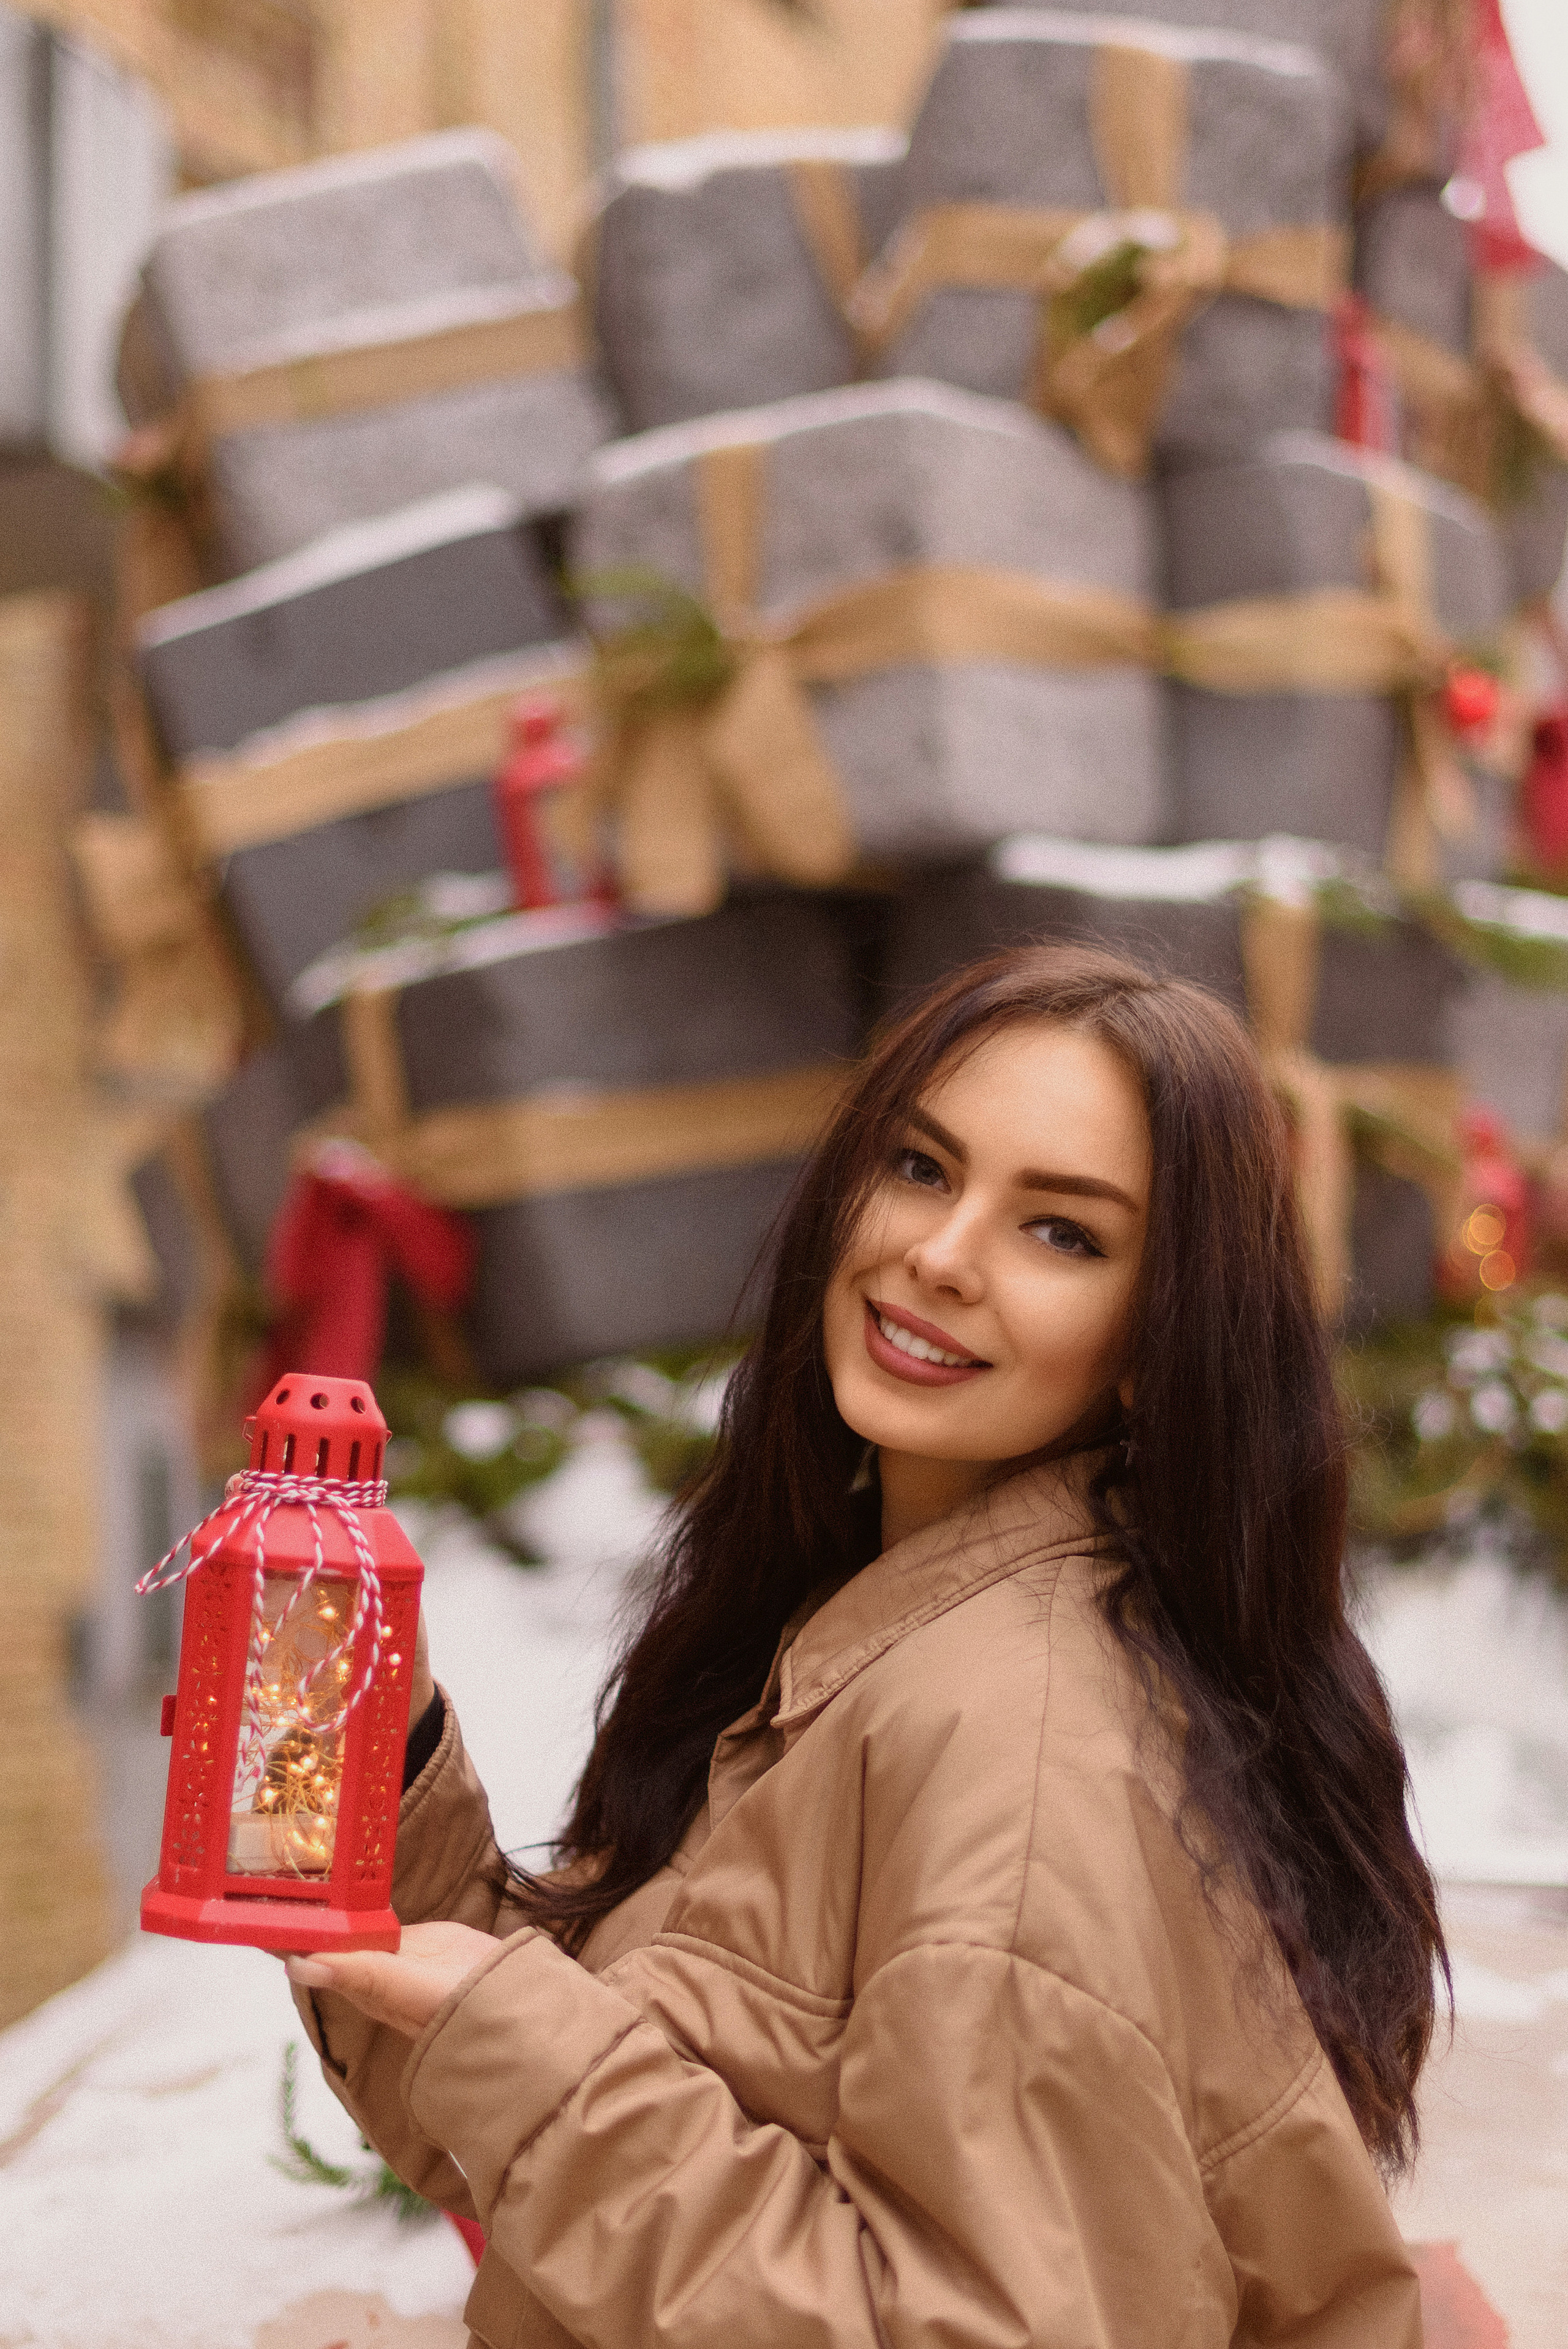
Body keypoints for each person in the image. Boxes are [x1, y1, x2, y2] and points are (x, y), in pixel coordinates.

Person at [285, 944, 1443, 2349]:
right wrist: (377, 1762)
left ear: (1155, 1341)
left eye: (1060, 1232)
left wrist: (527, 2057)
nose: (938, 1257)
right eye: (920, 1167)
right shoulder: (872, 1627)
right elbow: (555, 2157)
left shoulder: (1012, 1760)